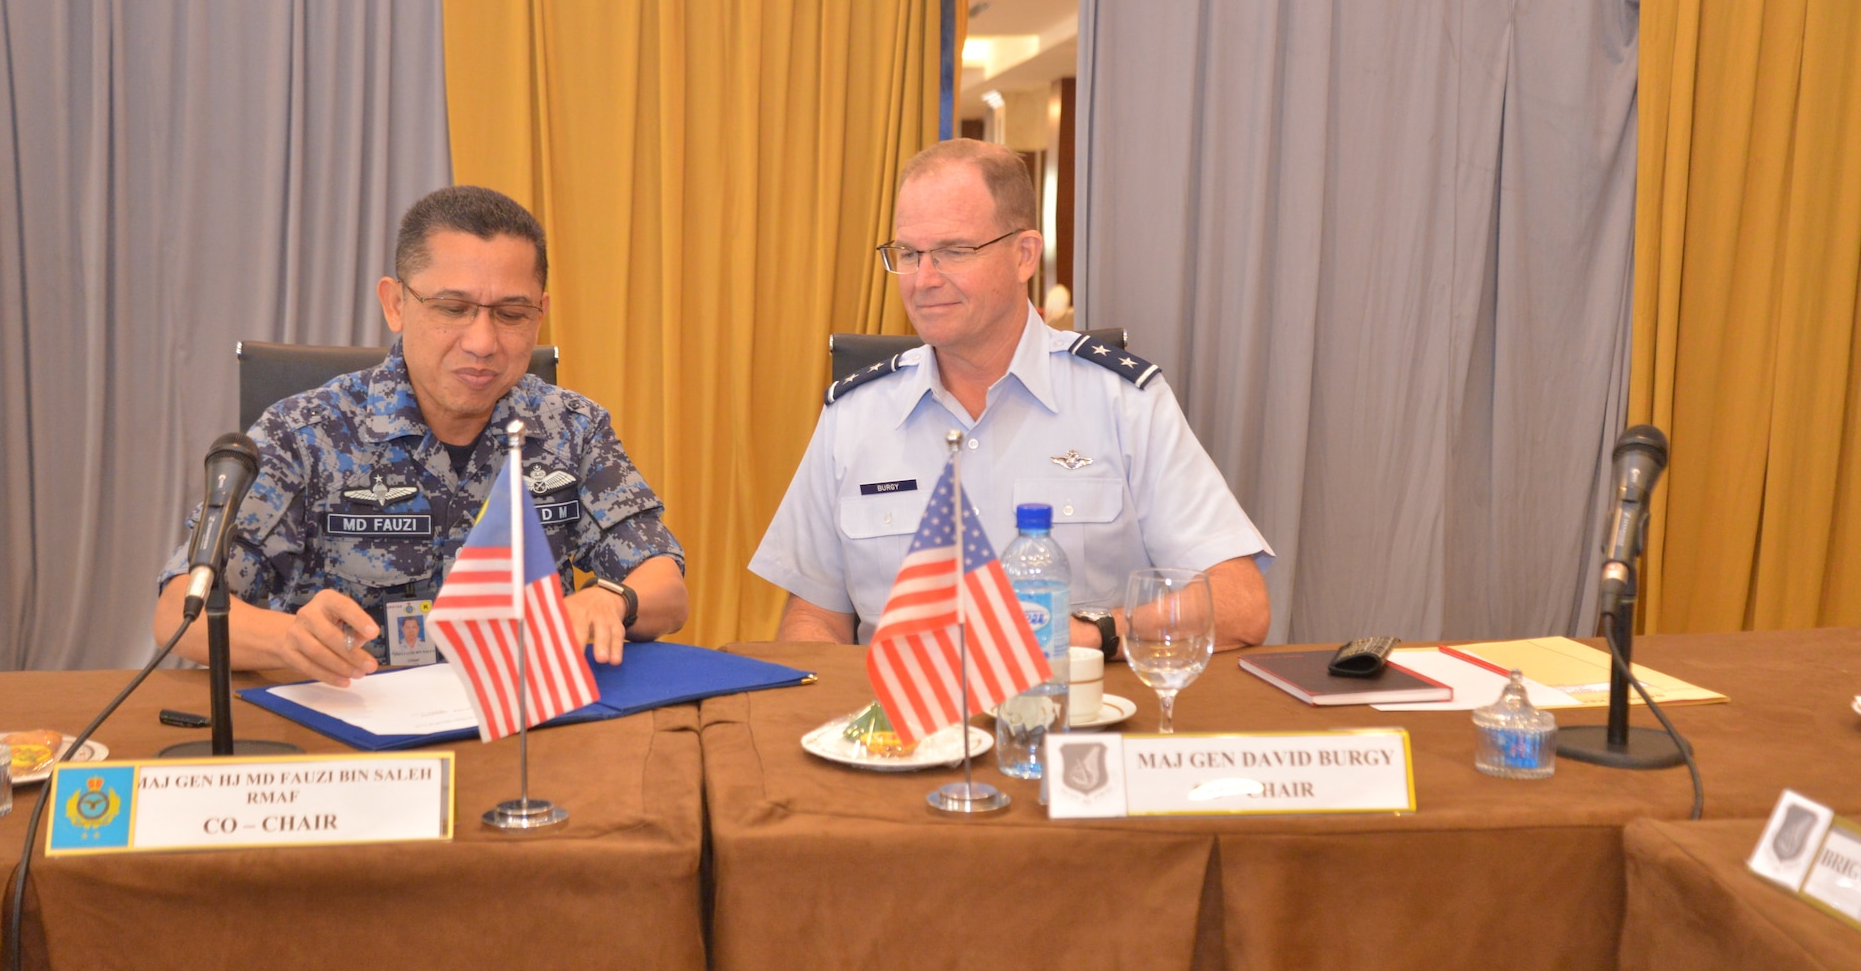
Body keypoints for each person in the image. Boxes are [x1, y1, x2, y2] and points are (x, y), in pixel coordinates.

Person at [749, 139, 1271, 653]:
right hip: (907, 727)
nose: (923, 280)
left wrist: (1095, 631)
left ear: (1024, 255)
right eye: (908, 254)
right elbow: (815, 616)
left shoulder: (1123, 402)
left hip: (1074, 718)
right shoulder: (855, 414)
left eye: (953, 251)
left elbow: (1239, 605)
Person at [154, 185, 688, 685]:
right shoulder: (304, 436)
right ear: (395, 304)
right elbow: (182, 609)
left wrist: (614, 599)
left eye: (511, 313)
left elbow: (666, 587)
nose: (482, 342)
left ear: (540, 314)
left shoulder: (571, 428)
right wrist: (286, 638)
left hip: (519, 729)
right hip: (357, 731)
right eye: (452, 309)